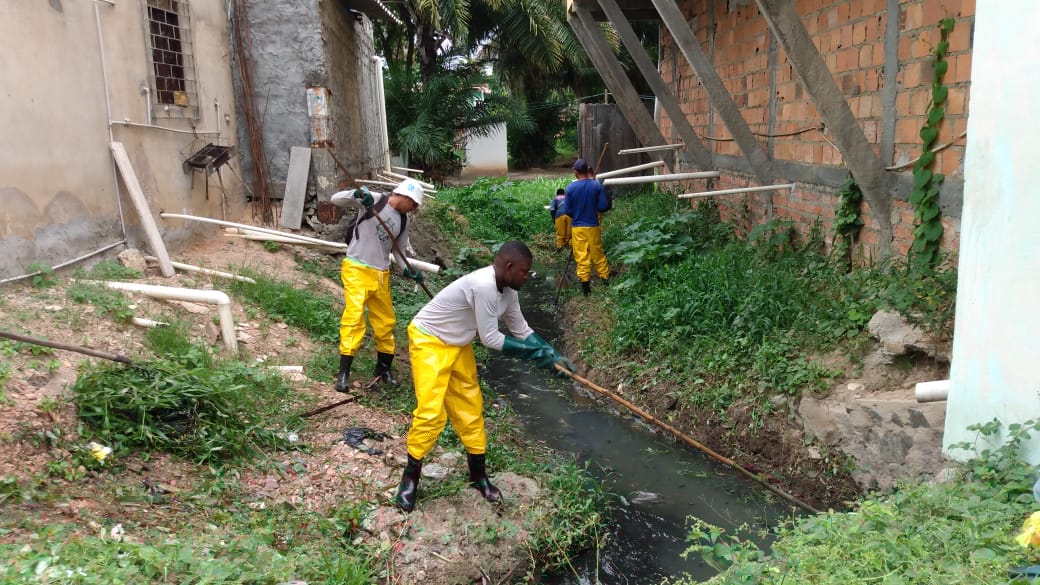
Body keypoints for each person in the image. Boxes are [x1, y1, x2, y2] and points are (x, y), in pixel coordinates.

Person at [393, 241, 575, 512]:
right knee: (431, 412)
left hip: (458, 344)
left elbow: (521, 329)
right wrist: (535, 356)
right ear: (509, 267)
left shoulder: (508, 291)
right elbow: (490, 338)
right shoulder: (484, 287)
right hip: (429, 339)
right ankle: (410, 479)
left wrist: (550, 353)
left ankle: (478, 476)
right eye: (524, 271)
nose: (527, 276)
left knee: (470, 406)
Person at [329, 178, 426, 393]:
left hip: (381, 274)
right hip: (357, 268)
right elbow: (335, 199)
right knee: (354, 318)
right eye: (413, 204)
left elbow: (398, 252)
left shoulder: (404, 220)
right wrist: (356, 195)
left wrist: (409, 270)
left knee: (385, 322)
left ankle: (383, 370)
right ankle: (343, 373)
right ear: (405, 197)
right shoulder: (374, 200)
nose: (414, 208)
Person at [563, 158, 611, 296]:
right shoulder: (595, 186)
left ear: (575, 172)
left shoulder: (570, 188)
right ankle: (605, 282)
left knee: (582, 256)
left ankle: (586, 290)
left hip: (578, 227)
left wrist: (578, 213)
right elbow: (602, 206)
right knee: (598, 254)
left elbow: (568, 210)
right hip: (593, 226)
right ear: (587, 170)